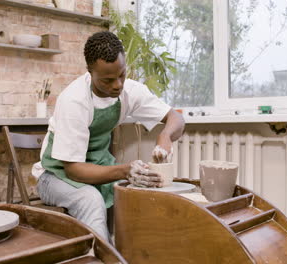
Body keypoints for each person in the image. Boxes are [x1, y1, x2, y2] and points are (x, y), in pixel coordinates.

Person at [35, 31, 185, 242]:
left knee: (137, 195)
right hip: (55, 177)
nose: (117, 85)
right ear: (90, 71)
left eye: (122, 75)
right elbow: (74, 170)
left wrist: (166, 136)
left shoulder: (129, 91)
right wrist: (124, 170)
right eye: (107, 80)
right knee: (91, 199)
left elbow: (175, 118)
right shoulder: (74, 100)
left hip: (98, 168)